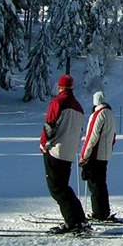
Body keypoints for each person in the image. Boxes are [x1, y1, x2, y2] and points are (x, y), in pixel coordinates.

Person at [40, 74, 88, 234]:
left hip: (56, 150)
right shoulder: (78, 107)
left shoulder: (58, 102)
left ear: (60, 87)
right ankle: (79, 218)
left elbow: (50, 125)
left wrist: (43, 143)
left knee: (56, 188)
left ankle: (72, 221)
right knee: (64, 187)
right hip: (69, 152)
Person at [79, 91, 117, 221]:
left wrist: (84, 155)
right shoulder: (110, 113)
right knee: (101, 183)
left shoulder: (98, 114)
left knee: (94, 184)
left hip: (95, 154)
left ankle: (99, 212)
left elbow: (91, 136)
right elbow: (113, 136)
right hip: (105, 154)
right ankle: (104, 211)